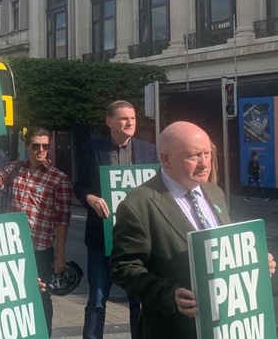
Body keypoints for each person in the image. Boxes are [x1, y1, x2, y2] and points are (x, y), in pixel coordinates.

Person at [109, 121, 276, 338]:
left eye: (207, 154)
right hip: (175, 329)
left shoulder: (214, 192)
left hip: (224, 326)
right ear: (165, 159)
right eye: (193, 156)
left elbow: (223, 248)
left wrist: (254, 261)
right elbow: (123, 268)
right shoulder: (138, 204)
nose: (205, 163)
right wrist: (169, 295)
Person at [74, 100, 158, 339]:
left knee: (138, 301)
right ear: (109, 121)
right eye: (124, 118)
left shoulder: (149, 150)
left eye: (133, 118)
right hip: (101, 239)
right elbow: (80, 186)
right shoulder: (91, 149)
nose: (130, 122)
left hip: (137, 242)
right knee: (97, 300)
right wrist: (90, 198)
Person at [0, 126, 72, 336]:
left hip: (40, 251)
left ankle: (43, 335)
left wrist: (59, 255)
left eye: (45, 146)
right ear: (26, 146)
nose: (40, 150)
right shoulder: (14, 168)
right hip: (12, 248)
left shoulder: (59, 179)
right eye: (36, 146)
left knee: (41, 296)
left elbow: (63, 220)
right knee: (12, 296)